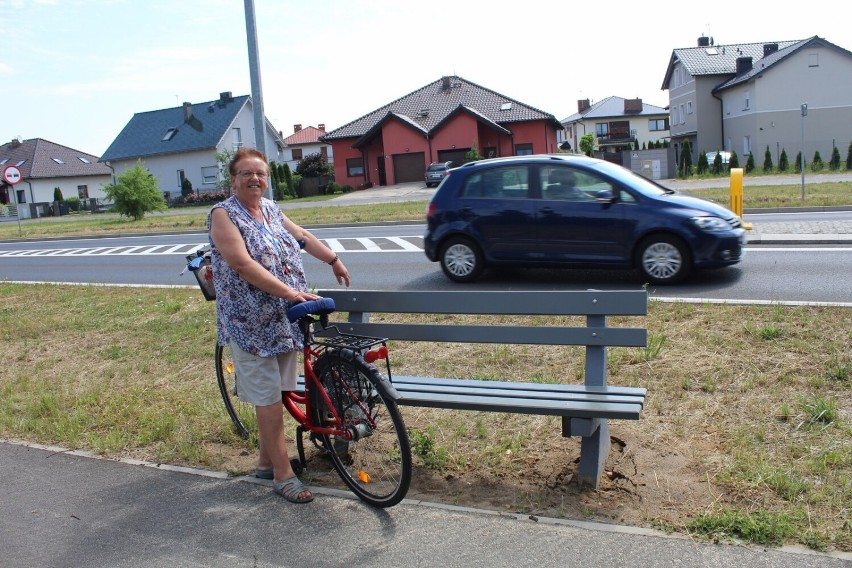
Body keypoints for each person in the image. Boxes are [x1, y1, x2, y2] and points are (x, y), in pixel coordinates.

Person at [208, 148, 350, 503]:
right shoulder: (224, 215)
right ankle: (283, 475)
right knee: (269, 399)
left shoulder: (271, 209)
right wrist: (289, 292)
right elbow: (241, 263)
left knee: (278, 392)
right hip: (249, 323)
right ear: (234, 179)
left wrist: (333, 259)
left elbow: (301, 234)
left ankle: (264, 462)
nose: (255, 179)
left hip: (284, 317)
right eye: (246, 173)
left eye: (261, 173)